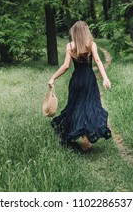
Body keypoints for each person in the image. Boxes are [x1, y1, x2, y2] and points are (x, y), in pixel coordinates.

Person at [48, 21, 112, 151]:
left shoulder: (70, 46)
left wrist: (53, 77)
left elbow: (66, 66)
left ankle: (82, 134)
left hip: (77, 80)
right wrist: (105, 78)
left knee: (76, 107)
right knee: (90, 106)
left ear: (75, 33)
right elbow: (98, 61)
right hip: (89, 79)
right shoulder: (91, 45)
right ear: (85, 32)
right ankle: (86, 136)